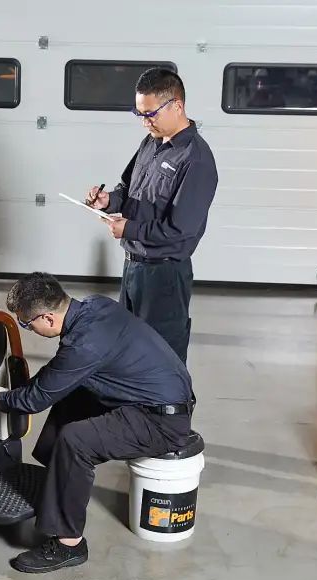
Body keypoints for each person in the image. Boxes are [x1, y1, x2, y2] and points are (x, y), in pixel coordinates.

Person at [0, 272, 197, 573]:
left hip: (161, 422)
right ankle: (59, 483)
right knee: (72, 395)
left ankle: (68, 544)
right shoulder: (96, 306)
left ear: (47, 318)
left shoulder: (84, 345)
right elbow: (58, 376)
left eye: (26, 323)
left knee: (76, 441)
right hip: (154, 398)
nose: (26, 328)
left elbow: (35, 399)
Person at [86, 67, 218, 364]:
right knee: (128, 350)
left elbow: (179, 229)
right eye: (139, 113)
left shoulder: (195, 159)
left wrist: (129, 229)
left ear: (177, 106)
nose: (145, 121)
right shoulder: (150, 142)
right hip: (134, 269)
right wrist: (108, 200)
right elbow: (127, 189)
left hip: (165, 276)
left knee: (162, 357)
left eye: (151, 114)